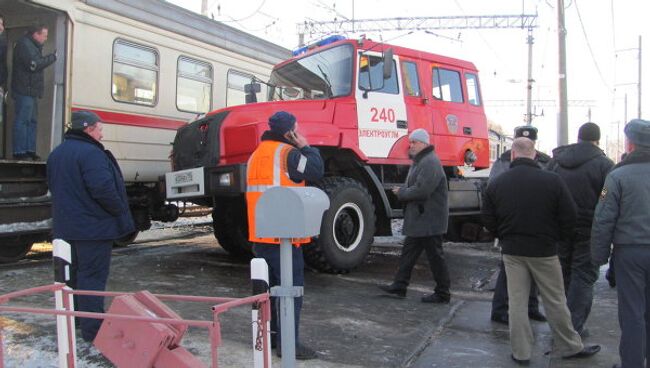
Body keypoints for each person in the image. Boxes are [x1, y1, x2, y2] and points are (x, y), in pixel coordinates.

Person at [482, 137, 600, 364]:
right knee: (555, 299)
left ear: (513, 155)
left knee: (516, 302)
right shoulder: (552, 181)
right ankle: (569, 345)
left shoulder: (498, 182)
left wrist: (503, 234)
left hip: (512, 250)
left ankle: (521, 352)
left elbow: (488, 216)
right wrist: (557, 237)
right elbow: (570, 214)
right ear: (534, 155)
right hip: (545, 250)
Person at [47, 110, 134, 342]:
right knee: (92, 278)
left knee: (72, 278)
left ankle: (77, 320)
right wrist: (120, 210)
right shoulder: (91, 154)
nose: (102, 133)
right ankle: (93, 329)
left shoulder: (56, 154)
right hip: (93, 229)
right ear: (88, 129)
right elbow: (102, 189)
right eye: (100, 128)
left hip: (66, 228)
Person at [246, 111, 324, 360]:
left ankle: (268, 339)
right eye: (296, 128)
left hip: (260, 235)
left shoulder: (256, 155)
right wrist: (307, 147)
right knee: (290, 292)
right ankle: (289, 344)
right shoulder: (288, 154)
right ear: (289, 132)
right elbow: (314, 171)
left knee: (266, 293)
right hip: (284, 238)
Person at [591, 119, 650, 368]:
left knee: (633, 313)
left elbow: (603, 219)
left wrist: (599, 255)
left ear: (630, 143)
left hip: (630, 253)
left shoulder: (618, 176)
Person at [547, 122, 613, 336]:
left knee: (562, 274)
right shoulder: (604, 165)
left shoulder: (557, 161)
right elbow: (606, 195)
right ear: (597, 140)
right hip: (588, 228)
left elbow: (547, 187)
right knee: (583, 276)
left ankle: (560, 323)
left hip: (559, 227)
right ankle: (574, 327)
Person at [378, 128, 451, 304]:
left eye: (414, 142)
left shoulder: (429, 162)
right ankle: (399, 286)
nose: (410, 145)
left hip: (429, 220)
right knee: (408, 254)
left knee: (435, 257)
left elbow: (423, 190)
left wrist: (402, 193)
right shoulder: (421, 161)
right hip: (421, 219)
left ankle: (443, 293)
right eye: (410, 142)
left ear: (424, 143)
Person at [489, 125, 548, 325]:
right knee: (509, 269)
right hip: (518, 223)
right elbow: (492, 191)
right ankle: (500, 309)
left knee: (525, 269)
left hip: (527, 223)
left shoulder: (543, 161)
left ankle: (530, 307)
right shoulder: (504, 160)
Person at [11, 24, 56, 161]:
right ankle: (20, 151)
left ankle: (29, 150)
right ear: (36, 34)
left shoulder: (31, 45)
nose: (46, 38)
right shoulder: (25, 45)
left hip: (31, 91)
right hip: (25, 90)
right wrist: (53, 57)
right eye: (44, 35)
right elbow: (34, 65)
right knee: (23, 121)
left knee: (31, 121)